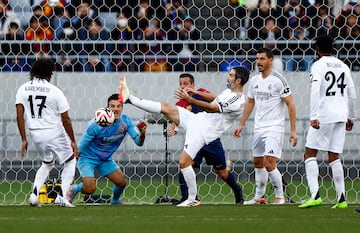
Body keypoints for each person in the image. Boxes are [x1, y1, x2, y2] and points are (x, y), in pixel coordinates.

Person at [118, 66, 250, 207]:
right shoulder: (229, 92)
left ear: (238, 80)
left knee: (185, 163)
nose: (227, 77)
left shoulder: (238, 100)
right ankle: (129, 98)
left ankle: (193, 199)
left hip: (204, 132)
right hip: (197, 120)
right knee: (167, 107)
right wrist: (194, 92)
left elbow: (212, 108)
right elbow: (216, 98)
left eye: (230, 75)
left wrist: (190, 99)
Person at [298, 34, 357, 209]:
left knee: (309, 154)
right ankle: (341, 199)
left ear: (317, 48)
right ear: (333, 47)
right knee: (334, 156)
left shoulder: (317, 66)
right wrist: (351, 117)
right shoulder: (344, 66)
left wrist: (314, 116)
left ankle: (315, 195)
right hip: (341, 114)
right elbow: (352, 94)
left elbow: (315, 90)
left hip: (324, 115)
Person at [233, 47, 298, 205]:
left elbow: (290, 104)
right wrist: (241, 124)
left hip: (275, 127)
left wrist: (293, 131)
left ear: (270, 60)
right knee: (257, 162)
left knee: (269, 162)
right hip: (259, 127)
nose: (258, 62)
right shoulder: (254, 80)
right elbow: (250, 102)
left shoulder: (279, 79)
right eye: (257, 59)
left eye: (262, 59)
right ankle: (259, 197)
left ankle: (280, 196)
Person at [168, 73, 244, 204]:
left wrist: (195, 93)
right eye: (180, 84)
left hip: (211, 141)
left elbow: (217, 98)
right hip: (194, 141)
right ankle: (188, 198)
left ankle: (238, 191)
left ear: (192, 85)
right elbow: (177, 116)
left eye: (186, 83)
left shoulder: (201, 93)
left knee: (222, 173)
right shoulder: (180, 103)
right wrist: (173, 127)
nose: (183, 86)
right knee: (184, 166)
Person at [15, 58, 78, 207]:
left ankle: (34, 195)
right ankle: (62, 197)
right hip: (54, 132)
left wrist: (24, 139)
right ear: (50, 74)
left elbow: (19, 115)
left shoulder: (22, 89)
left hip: (35, 133)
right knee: (70, 160)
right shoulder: (55, 91)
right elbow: (65, 118)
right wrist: (73, 141)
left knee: (47, 162)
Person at [67, 94, 147, 205]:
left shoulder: (126, 122)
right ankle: (74, 189)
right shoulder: (96, 124)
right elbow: (80, 147)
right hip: (87, 158)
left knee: (121, 182)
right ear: (107, 108)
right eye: (112, 106)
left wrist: (142, 134)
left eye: (119, 106)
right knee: (90, 189)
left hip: (105, 159)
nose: (116, 109)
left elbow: (139, 143)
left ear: (122, 108)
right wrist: (71, 161)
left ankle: (115, 201)